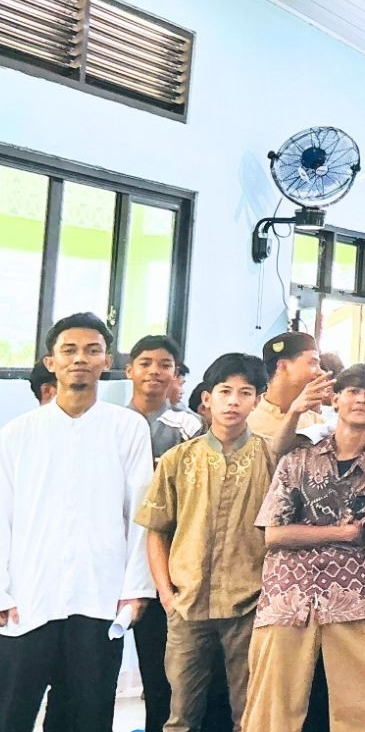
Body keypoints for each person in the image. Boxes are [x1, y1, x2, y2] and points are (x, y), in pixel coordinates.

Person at [0, 313, 156, 732]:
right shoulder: (17, 433)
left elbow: (141, 515)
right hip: (28, 597)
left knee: (87, 715)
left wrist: (135, 589)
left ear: (107, 361)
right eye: (69, 350)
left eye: (92, 350)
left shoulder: (127, 428)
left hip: (98, 596)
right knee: (11, 713)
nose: (80, 359)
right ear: (51, 361)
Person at [139, 353, 301, 732]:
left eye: (245, 393)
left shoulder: (271, 458)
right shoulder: (178, 460)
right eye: (225, 391)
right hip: (188, 604)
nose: (233, 401)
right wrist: (166, 595)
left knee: (249, 713)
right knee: (180, 714)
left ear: (256, 400)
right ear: (207, 398)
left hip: (250, 605)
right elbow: (156, 530)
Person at [245, 361, 365, 732]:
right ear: (335, 399)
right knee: (271, 708)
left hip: (355, 596)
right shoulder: (297, 459)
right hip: (289, 596)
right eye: (353, 391)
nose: (361, 400)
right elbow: (274, 534)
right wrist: (344, 534)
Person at [124, 333, 200, 732]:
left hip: (167, 564)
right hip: (114, 558)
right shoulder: (112, 424)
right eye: (146, 363)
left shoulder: (188, 427)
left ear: (175, 374)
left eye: (165, 365)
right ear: (129, 370)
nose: (155, 371)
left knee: (164, 674)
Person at [251, 332, 332, 441]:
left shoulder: (315, 421)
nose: (321, 372)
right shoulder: (247, 423)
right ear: (283, 366)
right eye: (313, 363)